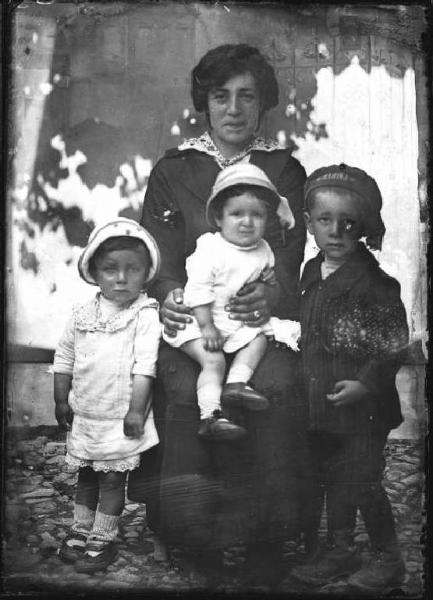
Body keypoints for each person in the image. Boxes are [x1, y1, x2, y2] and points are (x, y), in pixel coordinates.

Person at [127, 43, 308, 584]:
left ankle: (266, 536)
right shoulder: (174, 169)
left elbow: (293, 256)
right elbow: (154, 255)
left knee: (271, 386)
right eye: (220, 96)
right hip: (195, 319)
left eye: (246, 96)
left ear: (263, 104)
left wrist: (270, 296)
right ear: (204, 103)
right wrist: (172, 294)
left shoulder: (283, 169)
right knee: (186, 390)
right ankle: (193, 536)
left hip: (256, 324)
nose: (233, 108)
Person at [289, 164, 409, 593]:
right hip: (320, 403)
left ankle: (388, 558)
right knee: (330, 478)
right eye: (324, 221)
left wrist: (365, 382)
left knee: (361, 480)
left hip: (363, 410)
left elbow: (393, 342)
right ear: (309, 223)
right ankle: (340, 548)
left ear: (362, 227)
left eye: (347, 223)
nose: (335, 231)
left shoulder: (377, 284)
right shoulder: (309, 273)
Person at [53, 218, 161, 573]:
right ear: (94, 272)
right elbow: (65, 356)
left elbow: (145, 366)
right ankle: (80, 528)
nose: (121, 278)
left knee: (113, 477)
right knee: (85, 473)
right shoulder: (82, 314)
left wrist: (136, 411)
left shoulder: (143, 315)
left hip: (120, 417)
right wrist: (60, 399)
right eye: (110, 269)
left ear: (146, 273)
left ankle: (103, 535)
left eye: (133, 270)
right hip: (86, 414)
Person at [163, 163, 300, 441]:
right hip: (199, 320)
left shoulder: (263, 249)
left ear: (268, 219)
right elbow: (197, 291)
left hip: (233, 321)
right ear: (219, 218)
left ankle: (237, 382)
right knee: (213, 361)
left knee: (259, 337)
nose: (247, 222)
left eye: (257, 215)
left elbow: (265, 275)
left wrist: (269, 282)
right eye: (236, 214)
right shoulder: (210, 248)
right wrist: (207, 327)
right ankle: (210, 415)